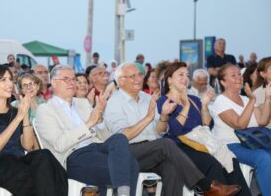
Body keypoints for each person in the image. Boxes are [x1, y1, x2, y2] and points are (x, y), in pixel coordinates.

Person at [104, 63, 241, 196]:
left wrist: (163, 115)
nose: (138, 79)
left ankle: (207, 187)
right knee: (166, 144)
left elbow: (160, 131)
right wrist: (148, 117)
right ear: (121, 81)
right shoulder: (114, 101)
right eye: (132, 76)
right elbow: (122, 137)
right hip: (127, 152)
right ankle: (205, 186)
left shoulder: (148, 98)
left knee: (173, 166)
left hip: (154, 150)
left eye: (140, 75)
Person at [35, 65, 139, 196]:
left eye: (73, 79)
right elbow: (59, 144)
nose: (72, 83)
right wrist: (89, 123)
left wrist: (100, 118)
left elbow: (104, 137)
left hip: (96, 148)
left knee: (120, 138)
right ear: (54, 83)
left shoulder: (83, 103)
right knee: (131, 165)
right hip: (73, 156)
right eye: (66, 79)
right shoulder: (45, 110)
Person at [157, 62, 251, 196]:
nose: (185, 78)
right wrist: (186, 105)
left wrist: (205, 105)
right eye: (180, 75)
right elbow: (175, 131)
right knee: (212, 164)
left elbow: (207, 125)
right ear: (170, 80)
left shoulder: (195, 99)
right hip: (179, 146)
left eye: (187, 75)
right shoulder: (163, 101)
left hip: (200, 142)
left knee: (231, 161)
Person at [0, 64, 67, 196]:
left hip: (18, 161)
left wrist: (25, 115)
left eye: (10, 79)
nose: (10, 83)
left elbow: (28, 146)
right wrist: (18, 118)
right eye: (3, 80)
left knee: (44, 155)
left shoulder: (16, 111)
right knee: (32, 174)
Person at [210, 63, 271, 196]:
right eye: (233, 75)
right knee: (263, 158)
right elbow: (240, 124)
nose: (239, 77)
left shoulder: (244, 99)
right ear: (223, 82)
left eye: (239, 74)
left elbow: (263, 121)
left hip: (251, 143)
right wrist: (252, 100)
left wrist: (268, 99)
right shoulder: (221, 101)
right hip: (231, 146)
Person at [11, 72, 44, 150]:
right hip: (25, 144)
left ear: (38, 86)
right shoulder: (15, 105)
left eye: (32, 83)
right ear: (21, 90)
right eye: (25, 85)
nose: (29, 87)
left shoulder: (47, 104)